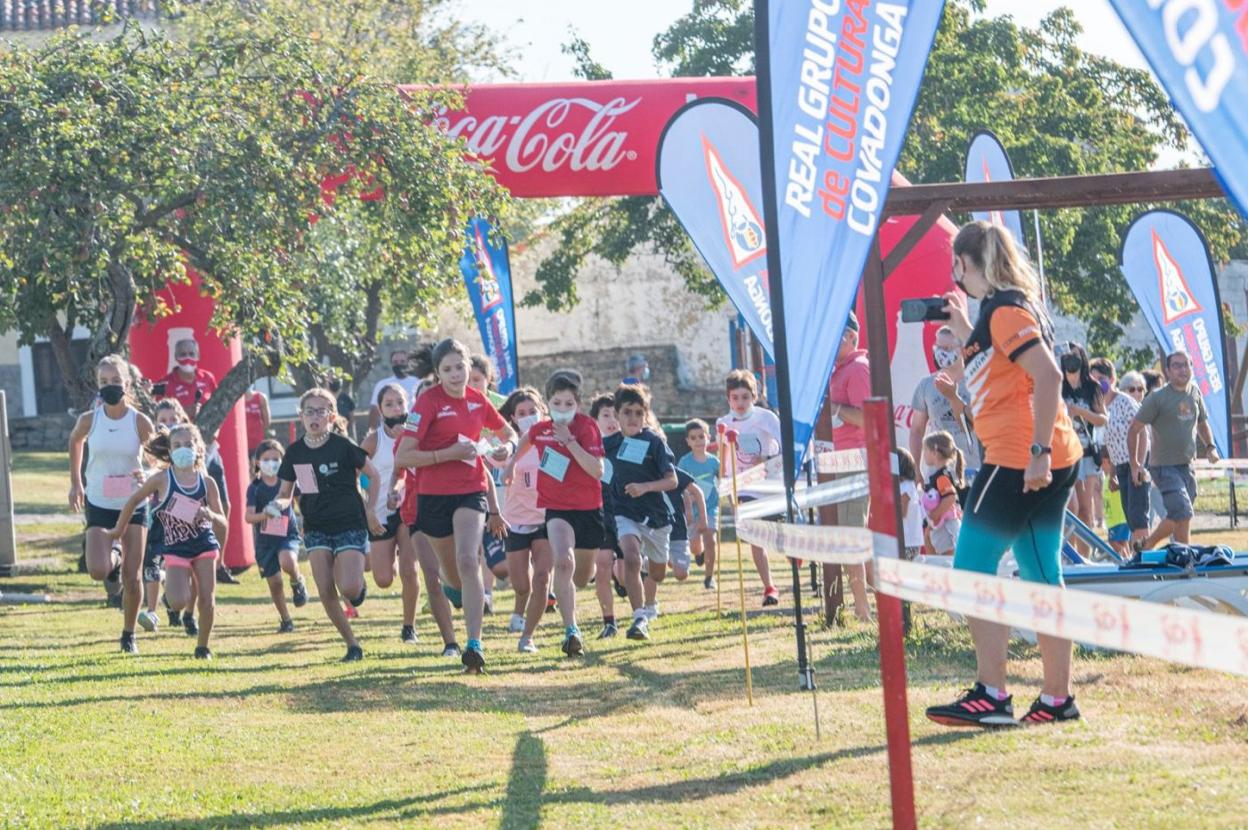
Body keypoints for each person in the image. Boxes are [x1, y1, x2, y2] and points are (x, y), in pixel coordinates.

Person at [925, 220, 1084, 728]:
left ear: (965, 264)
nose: (955, 276)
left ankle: (992, 694)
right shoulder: (1002, 311)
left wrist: (1036, 451)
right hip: (1044, 453)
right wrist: (966, 322)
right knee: (1041, 575)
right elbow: (1001, 384)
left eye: (956, 267)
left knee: (971, 570)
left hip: (1022, 456)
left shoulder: (1008, 310)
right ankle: (1057, 699)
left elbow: (1049, 376)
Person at [393, 338, 515, 673]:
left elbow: (508, 433)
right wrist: (447, 454)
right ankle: (454, 590)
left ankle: (474, 644)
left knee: (467, 559)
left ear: (469, 367)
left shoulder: (478, 401)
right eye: (447, 369)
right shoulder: (428, 403)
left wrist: (507, 448)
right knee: (452, 575)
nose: (456, 375)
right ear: (437, 373)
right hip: (432, 497)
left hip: (470, 490)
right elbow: (404, 456)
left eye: (460, 367)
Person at [269, 388, 385, 662]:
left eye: (321, 411)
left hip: (349, 523)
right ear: (301, 416)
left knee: (348, 588)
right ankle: (352, 644)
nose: (315, 416)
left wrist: (370, 510)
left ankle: (357, 591)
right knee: (324, 588)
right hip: (316, 526)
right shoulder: (295, 453)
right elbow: (285, 494)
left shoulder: (343, 446)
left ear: (332, 416)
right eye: (309, 411)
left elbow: (374, 476)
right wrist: (276, 507)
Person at [111, 424, 227, 659]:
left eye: (188, 445)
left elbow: (223, 521)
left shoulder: (207, 483)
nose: (183, 449)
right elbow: (133, 501)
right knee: (177, 602)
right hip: (175, 547)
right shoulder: (162, 479)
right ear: (170, 450)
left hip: (204, 542)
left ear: (198, 449)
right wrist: (118, 530)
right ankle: (170, 591)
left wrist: (210, 515)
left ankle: (203, 647)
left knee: (207, 597)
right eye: (177, 445)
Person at [510, 370, 605, 656]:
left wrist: (569, 442)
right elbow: (528, 437)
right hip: (556, 509)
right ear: (548, 403)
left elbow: (597, 470)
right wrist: (510, 465)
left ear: (578, 403)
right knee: (563, 563)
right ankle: (571, 630)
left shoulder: (587, 427)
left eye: (568, 403)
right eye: (557, 403)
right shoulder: (541, 430)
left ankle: (569, 602)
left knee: (581, 576)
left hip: (588, 509)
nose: (562, 409)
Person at [67, 355, 156, 653]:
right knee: (97, 569)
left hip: (132, 502)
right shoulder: (90, 420)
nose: (109, 387)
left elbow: (156, 459)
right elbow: (75, 441)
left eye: (115, 381)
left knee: (133, 578)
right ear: (97, 385)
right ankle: (113, 558)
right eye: (104, 382)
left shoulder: (140, 422)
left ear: (127, 384)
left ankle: (129, 634)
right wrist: (76, 482)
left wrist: (147, 471)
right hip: (100, 501)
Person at [604, 384, 677, 641]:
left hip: (656, 517)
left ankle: (650, 589)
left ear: (645, 415)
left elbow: (672, 481)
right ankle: (639, 617)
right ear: (617, 414)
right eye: (627, 412)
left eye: (638, 413)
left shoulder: (654, 442)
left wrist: (645, 487)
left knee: (657, 573)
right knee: (631, 558)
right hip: (624, 513)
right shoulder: (609, 444)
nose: (632, 418)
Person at [396, 377, 462, 658]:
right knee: (431, 576)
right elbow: (399, 469)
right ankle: (450, 642)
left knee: (458, 574)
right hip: (417, 512)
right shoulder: (406, 438)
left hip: (455, 507)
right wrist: (392, 489)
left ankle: (463, 600)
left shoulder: (456, 432)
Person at [1128, 351, 1219, 550]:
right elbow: (1134, 429)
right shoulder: (1157, 398)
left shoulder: (1195, 392)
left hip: (1187, 466)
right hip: (1164, 467)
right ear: (1167, 371)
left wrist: (1210, 447)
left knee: (1180, 516)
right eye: (1177, 365)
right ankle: (1150, 546)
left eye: (1186, 365)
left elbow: (1203, 424)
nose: (1182, 370)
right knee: (1183, 512)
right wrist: (1135, 464)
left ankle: (1180, 556)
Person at [715, 370, 782, 606]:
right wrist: (724, 482)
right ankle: (769, 587)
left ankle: (793, 549)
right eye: (735, 398)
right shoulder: (723, 423)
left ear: (754, 396)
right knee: (755, 536)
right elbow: (723, 455)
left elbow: (783, 446)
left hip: (769, 482)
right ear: (728, 398)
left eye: (745, 397)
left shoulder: (766, 418)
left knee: (773, 529)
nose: (740, 403)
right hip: (742, 485)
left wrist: (765, 458)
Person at [361, 383, 422, 644]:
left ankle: (409, 626)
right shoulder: (374, 440)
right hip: (380, 511)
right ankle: (389, 558)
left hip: (410, 508)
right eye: (389, 404)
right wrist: (367, 509)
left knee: (410, 570)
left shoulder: (418, 433)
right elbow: (353, 476)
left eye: (400, 402)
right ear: (380, 409)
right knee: (384, 579)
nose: (396, 408)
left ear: (407, 404)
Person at [827, 310, 874, 623]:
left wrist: (835, 409)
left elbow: (870, 418)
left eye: (835, 333)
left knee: (851, 535)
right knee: (849, 534)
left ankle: (863, 608)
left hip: (854, 459)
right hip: (838, 459)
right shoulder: (839, 369)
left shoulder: (857, 369)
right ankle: (866, 604)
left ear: (851, 337)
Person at [498, 388, 550, 648]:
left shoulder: (553, 443)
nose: (528, 417)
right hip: (515, 521)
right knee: (521, 584)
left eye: (533, 411)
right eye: (522, 413)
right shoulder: (509, 448)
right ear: (513, 418)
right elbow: (489, 457)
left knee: (542, 578)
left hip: (546, 520)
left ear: (542, 413)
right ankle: (519, 611)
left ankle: (528, 635)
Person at [136, 399, 192, 635]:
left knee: (182, 568)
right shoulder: (150, 456)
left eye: (172, 420)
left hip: (183, 520)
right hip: (156, 520)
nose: (167, 425)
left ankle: (182, 610)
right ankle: (151, 611)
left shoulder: (189, 451)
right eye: (162, 421)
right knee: (151, 564)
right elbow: (147, 476)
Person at [244, 440, 308, 633]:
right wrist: (266, 514)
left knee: (287, 561)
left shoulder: (287, 482)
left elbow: (301, 503)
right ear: (257, 462)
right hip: (265, 542)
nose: (271, 463)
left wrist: (308, 521)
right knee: (275, 582)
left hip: (287, 534)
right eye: (266, 459)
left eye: (276, 459)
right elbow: (248, 517)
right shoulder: (254, 488)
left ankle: (297, 581)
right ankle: (285, 619)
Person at [910, 325, 981, 485]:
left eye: (947, 348)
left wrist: (953, 397)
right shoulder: (926, 385)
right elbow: (916, 430)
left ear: (962, 349)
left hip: (975, 471)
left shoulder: (977, 381)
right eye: (938, 347)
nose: (941, 353)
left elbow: (978, 424)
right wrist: (916, 467)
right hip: (938, 473)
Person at [1096, 363, 1152, 550]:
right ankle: (1139, 556)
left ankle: (1144, 557)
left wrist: (1138, 464)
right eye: (1093, 379)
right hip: (1119, 466)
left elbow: (1142, 431)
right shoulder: (1102, 407)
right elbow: (1111, 442)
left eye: (1101, 379)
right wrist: (1112, 474)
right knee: (1129, 514)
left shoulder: (1125, 401)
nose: (1097, 384)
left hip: (1135, 462)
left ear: (1112, 380)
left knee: (1138, 515)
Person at [1058, 342, 1107, 549]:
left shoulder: (1091, 386)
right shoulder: (1057, 385)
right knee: (1072, 509)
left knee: (1086, 510)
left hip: (1087, 454)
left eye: (1075, 355)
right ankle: (1068, 555)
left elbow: (1102, 419)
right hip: (1066, 454)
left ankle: (1084, 556)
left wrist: (1079, 411)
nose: (1071, 359)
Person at [590, 393, 626, 638]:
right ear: (595, 420)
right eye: (605, 415)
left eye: (616, 415)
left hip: (627, 513)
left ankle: (640, 614)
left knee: (626, 574)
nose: (611, 420)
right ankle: (609, 622)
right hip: (601, 514)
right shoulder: (590, 446)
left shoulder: (630, 443)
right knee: (601, 566)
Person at [678, 419, 720, 590]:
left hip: (710, 507)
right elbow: (680, 486)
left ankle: (709, 577)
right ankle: (699, 553)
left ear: (708, 438)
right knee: (695, 545)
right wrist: (688, 499)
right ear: (688, 441)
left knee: (711, 539)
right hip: (692, 509)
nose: (698, 441)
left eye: (701, 437)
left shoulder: (714, 462)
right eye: (693, 438)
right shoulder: (685, 462)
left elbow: (722, 480)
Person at [920, 432, 965, 557]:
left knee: (948, 558)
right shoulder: (940, 475)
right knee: (936, 553)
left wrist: (935, 514)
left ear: (935, 452)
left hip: (947, 525)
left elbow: (950, 497)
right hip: (942, 525)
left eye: (925, 450)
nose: (923, 454)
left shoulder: (942, 476)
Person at [154, 338, 217, 420]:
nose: (187, 358)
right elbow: (156, 413)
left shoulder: (208, 378)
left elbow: (219, 404)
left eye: (191, 354)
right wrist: (182, 412)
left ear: (198, 356)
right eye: (183, 354)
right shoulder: (163, 383)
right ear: (176, 357)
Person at [369, 349, 422, 431]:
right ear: (391, 364)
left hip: (412, 430)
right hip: (388, 431)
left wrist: (410, 429)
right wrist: (373, 431)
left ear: (408, 362)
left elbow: (419, 408)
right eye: (395, 362)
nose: (399, 364)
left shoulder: (418, 383)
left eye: (402, 361)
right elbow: (374, 409)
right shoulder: (382, 384)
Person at [896, 448, 924, 560]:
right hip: (906, 541)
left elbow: (902, 512)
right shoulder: (906, 486)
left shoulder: (906, 487)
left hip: (908, 542)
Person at [244, 388, 270, 456]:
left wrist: (264, 434)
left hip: (257, 440)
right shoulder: (235, 399)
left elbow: (266, 420)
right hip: (243, 442)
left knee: (257, 463)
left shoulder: (260, 397)